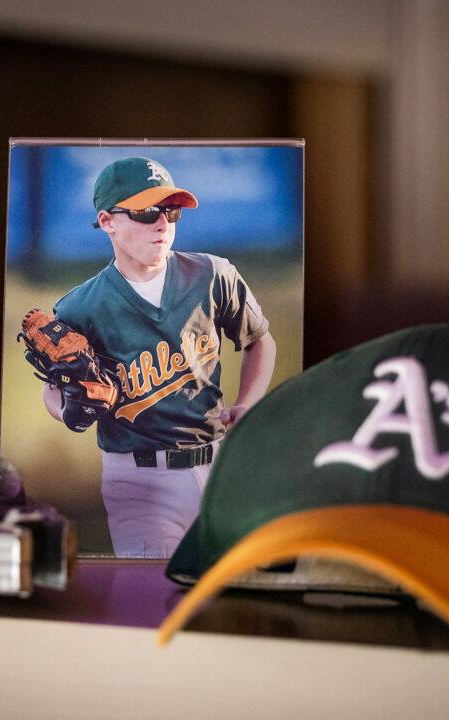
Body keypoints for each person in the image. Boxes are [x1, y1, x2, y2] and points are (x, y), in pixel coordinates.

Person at [43, 156, 276, 558]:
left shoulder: (212, 274)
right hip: (138, 478)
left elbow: (260, 340)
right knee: (158, 595)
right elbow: (53, 389)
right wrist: (66, 410)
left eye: (170, 211)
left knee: (227, 594)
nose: (162, 223)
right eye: (147, 211)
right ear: (107, 221)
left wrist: (246, 403)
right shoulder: (80, 308)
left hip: (219, 466)